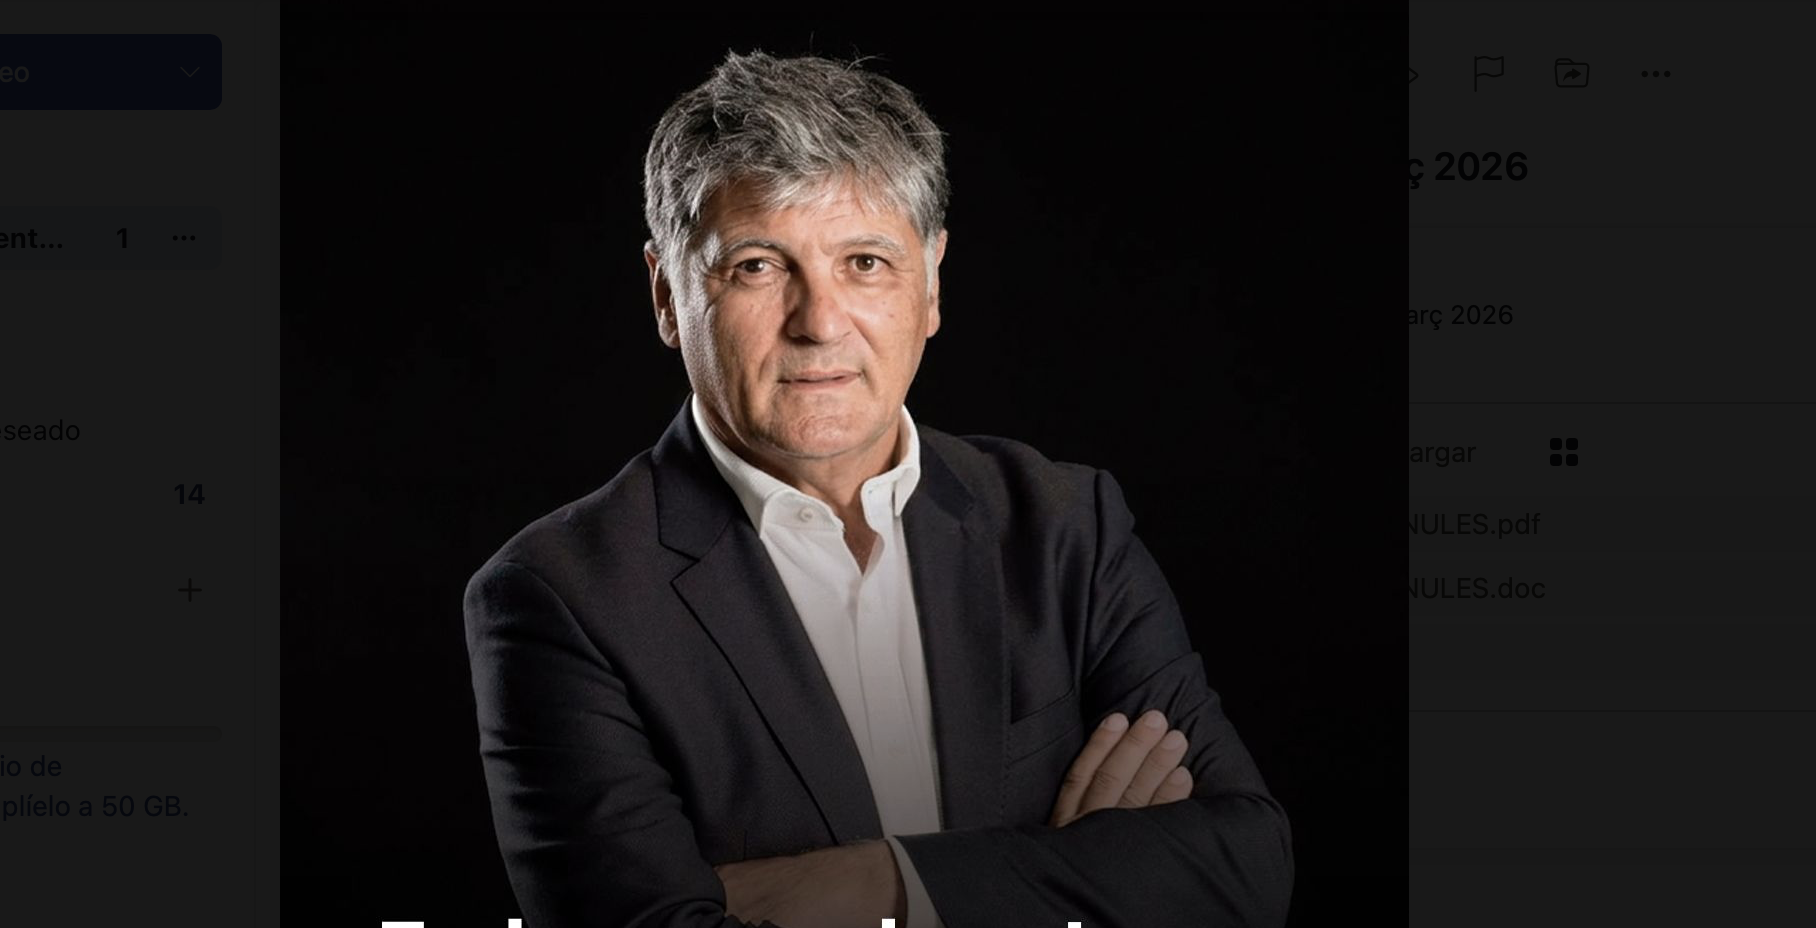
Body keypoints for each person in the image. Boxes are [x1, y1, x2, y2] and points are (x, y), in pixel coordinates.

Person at [463, 50, 1292, 928]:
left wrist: (875, 881)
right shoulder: (560, 599)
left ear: (931, 284)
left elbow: (1244, 871)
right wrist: (1074, 871)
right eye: (757, 266)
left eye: (864, 262)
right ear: (668, 294)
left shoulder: (1065, 527)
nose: (820, 322)